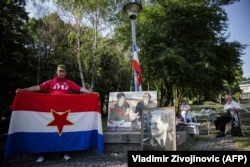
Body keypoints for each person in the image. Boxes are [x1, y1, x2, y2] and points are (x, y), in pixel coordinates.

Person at [16, 64, 99, 163]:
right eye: (60, 71)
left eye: (63, 71)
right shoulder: (50, 82)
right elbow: (38, 87)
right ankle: (42, 154)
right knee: (46, 131)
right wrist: (24, 90)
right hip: (50, 113)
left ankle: (64, 153)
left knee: (64, 132)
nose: (61, 73)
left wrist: (91, 93)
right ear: (56, 72)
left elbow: (80, 89)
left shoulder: (69, 83)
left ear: (66, 73)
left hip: (65, 112)